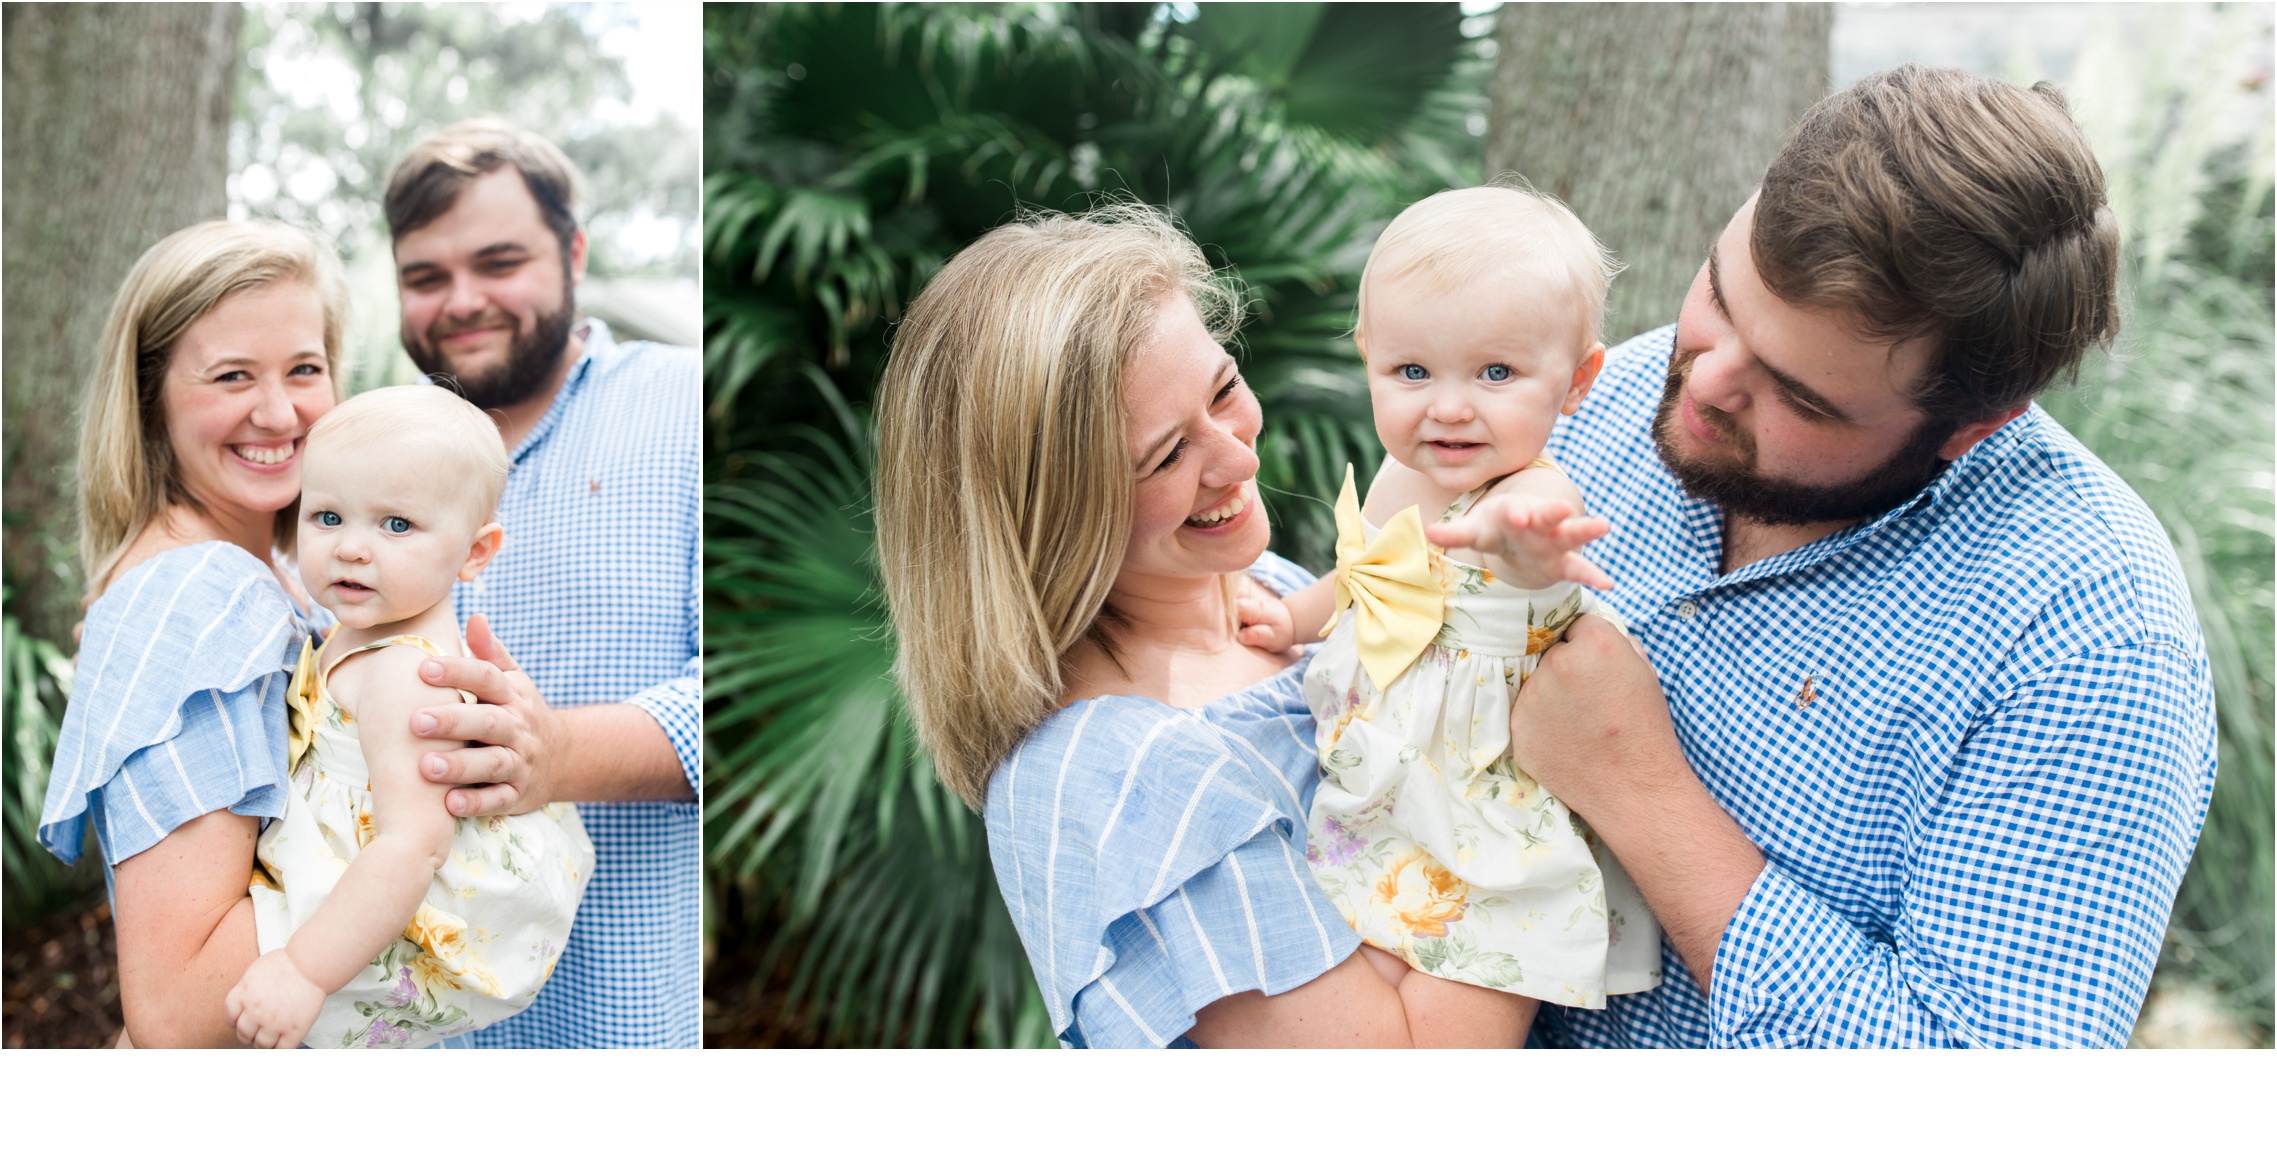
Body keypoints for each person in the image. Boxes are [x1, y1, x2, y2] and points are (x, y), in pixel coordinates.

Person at [1516, 65, 2217, 1047]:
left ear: (1970, 427)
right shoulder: (1620, 390)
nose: (1705, 382)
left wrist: (1644, 795)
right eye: (1720, 295)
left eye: (1800, 396)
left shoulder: (2093, 638)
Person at [877, 204, 1489, 1048]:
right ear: (1051, 520)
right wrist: (1538, 786)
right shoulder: (1127, 775)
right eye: (1166, 455)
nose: (1239, 458)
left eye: (1224, 389)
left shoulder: (1257, 590)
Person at [1234, 184, 1660, 1044]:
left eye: (1496, 373)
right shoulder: (1402, 476)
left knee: (1460, 1010)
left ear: (1577, 380)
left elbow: (1524, 542)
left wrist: (1519, 537)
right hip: (1385, 782)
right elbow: (1370, 575)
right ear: (1368, 358)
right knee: (1368, 974)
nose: (1450, 405)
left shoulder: (1529, 487)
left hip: (1486, 803)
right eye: (1412, 372)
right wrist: (1294, 618)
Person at [378, 119, 701, 1047]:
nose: (462, 301)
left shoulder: (686, 404)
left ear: (573, 251)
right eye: (426, 277)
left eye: (499, 262)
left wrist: (555, 753)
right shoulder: (368, 451)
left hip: (614, 1028)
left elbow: (749, 696)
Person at [38, 220, 348, 1047]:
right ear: (152, 399)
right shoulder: (203, 594)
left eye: (305, 368)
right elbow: (177, 1009)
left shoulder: (260, 574)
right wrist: (426, 853)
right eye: (231, 375)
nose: (279, 411)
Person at [223, 386, 594, 1049]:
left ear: (475, 553)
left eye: (396, 524)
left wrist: (304, 972)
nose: (351, 549)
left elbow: (411, 845)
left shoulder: (402, 675)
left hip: (373, 910)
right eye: (328, 516)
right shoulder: (361, 627)